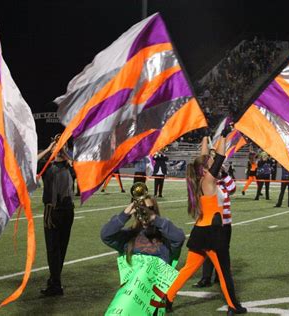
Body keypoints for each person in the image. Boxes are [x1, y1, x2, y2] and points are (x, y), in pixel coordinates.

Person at [166, 127, 247, 315]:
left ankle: (167, 298)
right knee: (224, 271)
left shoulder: (199, 180)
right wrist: (224, 135)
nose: (212, 163)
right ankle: (233, 306)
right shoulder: (208, 181)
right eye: (209, 163)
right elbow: (219, 157)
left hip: (200, 231)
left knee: (188, 268)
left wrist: (205, 135)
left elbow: (203, 157)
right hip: (212, 233)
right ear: (205, 170)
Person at [100, 196, 185, 313]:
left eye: (149, 208)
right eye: (142, 209)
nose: (146, 212)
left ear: (155, 210)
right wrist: (125, 214)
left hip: (152, 305)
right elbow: (106, 235)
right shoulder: (129, 238)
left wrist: (155, 219)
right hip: (130, 300)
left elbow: (179, 238)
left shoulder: (165, 241)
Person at [37, 136, 75, 296]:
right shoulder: (47, 165)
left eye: (62, 143)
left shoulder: (69, 165)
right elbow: (31, 163)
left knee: (62, 247)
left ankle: (55, 282)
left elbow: (80, 169)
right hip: (52, 211)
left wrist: (65, 153)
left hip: (67, 210)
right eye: (57, 143)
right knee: (53, 248)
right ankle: (55, 283)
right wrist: (48, 149)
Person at [194, 164, 236, 288]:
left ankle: (220, 276)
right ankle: (206, 278)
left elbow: (233, 188)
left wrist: (224, 173)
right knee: (208, 251)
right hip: (212, 223)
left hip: (226, 223)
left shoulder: (224, 182)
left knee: (224, 251)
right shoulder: (208, 184)